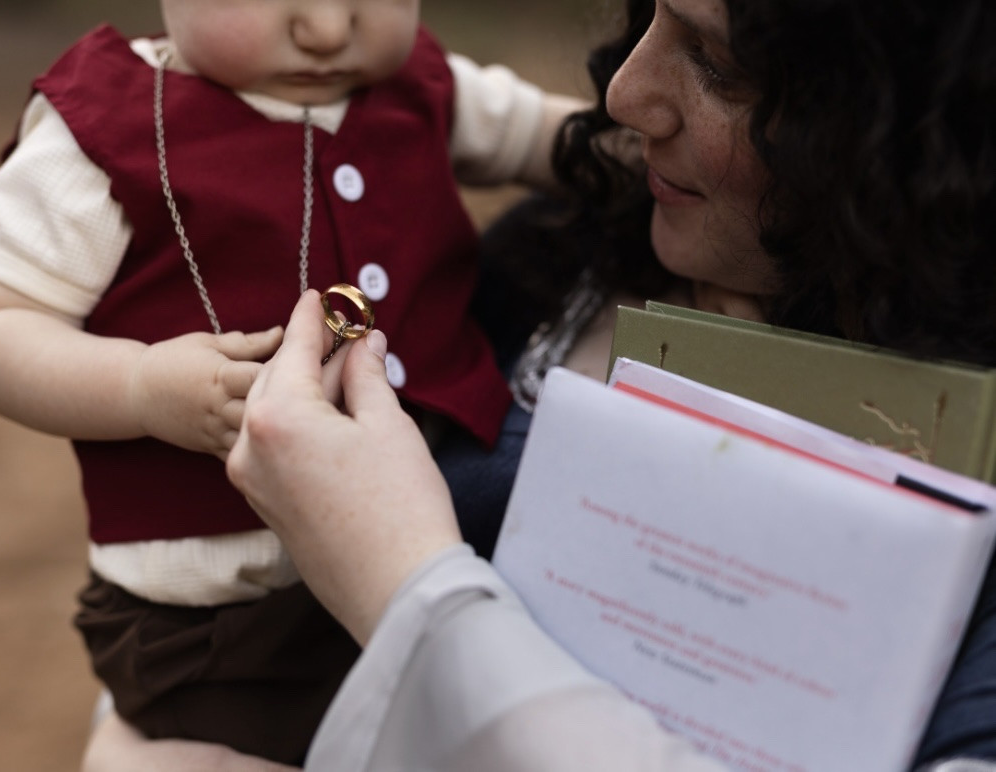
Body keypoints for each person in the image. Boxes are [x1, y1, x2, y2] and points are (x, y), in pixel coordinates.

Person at [85, 0, 996, 767]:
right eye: (647, 17)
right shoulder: (558, 255)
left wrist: (405, 585)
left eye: (719, 63)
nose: (624, 93)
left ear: (914, 125)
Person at [0, 0, 586, 764]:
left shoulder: (422, 83)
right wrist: (138, 384)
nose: (327, 29)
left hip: (426, 567)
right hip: (219, 626)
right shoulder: (103, 129)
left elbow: (564, 140)